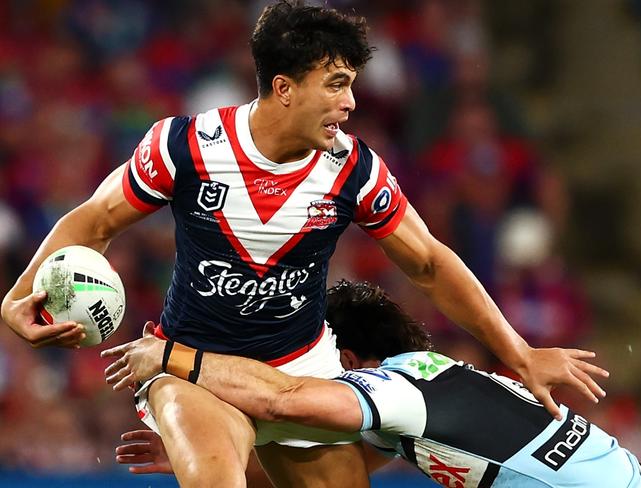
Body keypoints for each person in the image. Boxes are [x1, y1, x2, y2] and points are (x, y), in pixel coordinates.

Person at [1, 1, 606, 486]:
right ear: (285, 88)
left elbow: (427, 262)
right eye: (336, 84)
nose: (350, 103)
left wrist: (520, 353)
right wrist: (19, 296)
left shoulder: (354, 168)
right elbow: (95, 221)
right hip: (187, 367)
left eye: (352, 85)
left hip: (302, 368)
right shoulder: (183, 146)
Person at [104, 280, 641, 488]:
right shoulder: (441, 379)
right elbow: (338, 461)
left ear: (342, 357)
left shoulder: (397, 391)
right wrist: (205, 448)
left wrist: (170, 356)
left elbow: (281, 396)